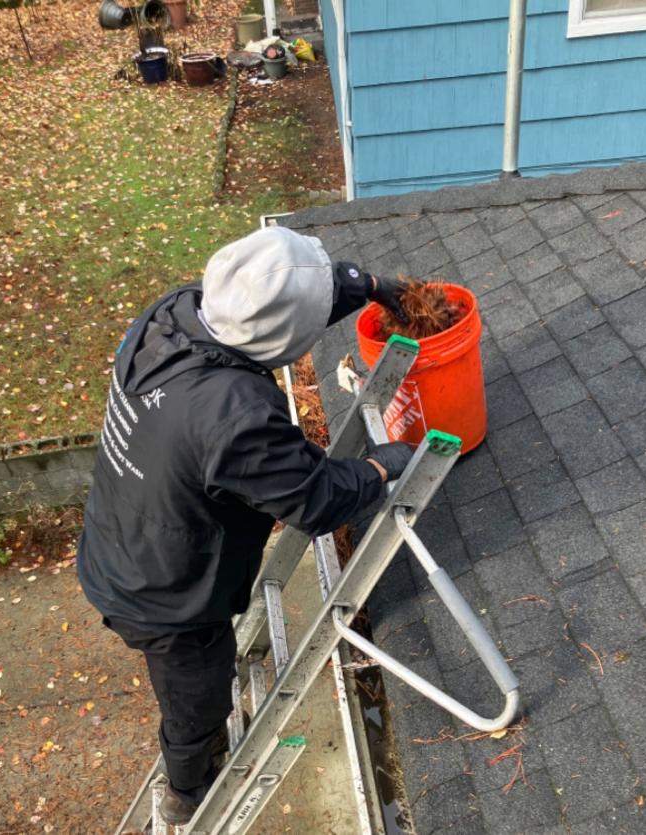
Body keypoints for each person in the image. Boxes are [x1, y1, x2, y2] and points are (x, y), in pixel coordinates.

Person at [76, 226, 414, 824]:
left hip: (120, 531)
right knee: (198, 696)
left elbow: (280, 293)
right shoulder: (234, 418)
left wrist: (370, 287)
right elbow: (314, 502)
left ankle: (191, 767)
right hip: (160, 595)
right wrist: (379, 468)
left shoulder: (179, 313)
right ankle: (188, 792)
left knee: (203, 676)